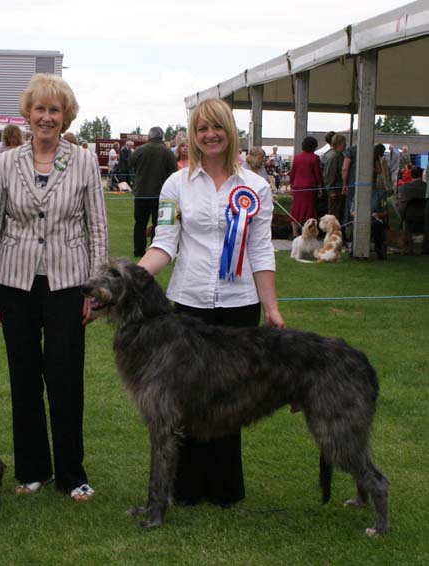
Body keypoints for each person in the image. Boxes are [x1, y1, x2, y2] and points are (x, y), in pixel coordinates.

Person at [137, 98, 283, 508]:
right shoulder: (174, 185)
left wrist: (270, 309)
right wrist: (133, 276)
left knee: (230, 396)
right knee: (184, 398)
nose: (210, 135)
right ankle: (185, 486)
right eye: (201, 129)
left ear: (229, 131)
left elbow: (261, 251)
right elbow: (164, 243)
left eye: (216, 127)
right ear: (193, 135)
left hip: (239, 306)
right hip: (187, 304)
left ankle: (225, 487)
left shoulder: (255, 187)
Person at [0, 73, 108, 502]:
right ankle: (32, 469)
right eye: (40, 109)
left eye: (54, 110)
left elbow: (98, 229)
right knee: (24, 377)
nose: (46, 118)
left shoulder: (85, 161)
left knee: (66, 378)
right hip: (13, 282)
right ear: (27, 114)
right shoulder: (5, 162)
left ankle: (73, 473)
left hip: (68, 283)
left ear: (65, 116)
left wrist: (97, 289)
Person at [128, 126, 177, 256]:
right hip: (160, 195)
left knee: (140, 224)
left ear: (149, 136)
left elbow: (129, 164)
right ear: (162, 137)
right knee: (158, 224)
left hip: (141, 195)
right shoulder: (167, 152)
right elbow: (174, 172)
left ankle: (138, 250)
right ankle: (155, 250)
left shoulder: (139, 150)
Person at [288, 136, 323, 237]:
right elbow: (317, 173)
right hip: (309, 187)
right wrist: (320, 187)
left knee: (296, 209)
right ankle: (308, 233)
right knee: (309, 209)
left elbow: (293, 172)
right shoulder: (315, 158)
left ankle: (295, 233)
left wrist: (291, 184)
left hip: (297, 186)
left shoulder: (297, 157)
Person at [322, 133, 347, 221]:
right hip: (335, 190)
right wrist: (330, 190)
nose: (346, 145)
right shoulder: (334, 157)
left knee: (339, 214)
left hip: (339, 190)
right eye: (344, 143)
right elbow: (329, 174)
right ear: (339, 143)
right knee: (334, 215)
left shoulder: (339, 155)